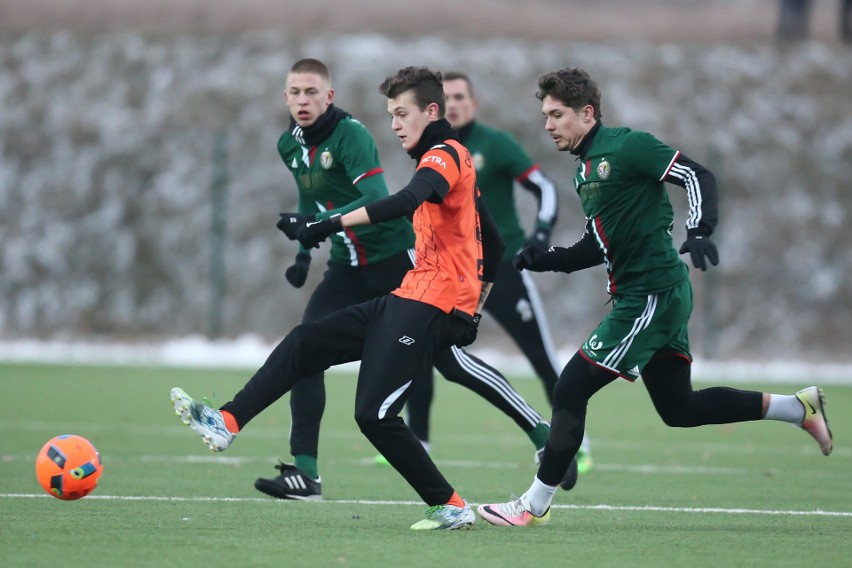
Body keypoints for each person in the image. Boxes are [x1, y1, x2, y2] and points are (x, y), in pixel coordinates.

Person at [171, 65, 551, 530]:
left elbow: (402, 201)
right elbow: (491, 241)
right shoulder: (446, 157)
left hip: (428, 304)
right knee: (306, 341)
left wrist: (326, 224)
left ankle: (452, 503)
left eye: (401, 113)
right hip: (413, 297)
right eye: (390, 114)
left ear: (431, 112)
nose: (393, 124)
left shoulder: (444, 154)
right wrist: (476, 304)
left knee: (374, 414)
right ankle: (226, 422)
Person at [477, 67, 833, 527]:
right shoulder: (586, 172)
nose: (548, 124)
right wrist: (548, 259)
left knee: (570, 387)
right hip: (653, 294)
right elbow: (596, 245)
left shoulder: (627, 146)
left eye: (557, 114)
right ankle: (796, 407)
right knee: (678, 409)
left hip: (651, 294)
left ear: (587, 114)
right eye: (545, 115)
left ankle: (532, 506)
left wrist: (700, 229)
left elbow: (694, 174)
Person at [401, 71, 593, 475]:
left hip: (502, 267)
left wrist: (541, 233)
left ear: (473, 102)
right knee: (427, 350)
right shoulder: (430, 149)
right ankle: (418, 439)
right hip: (453, 272)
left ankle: (574, 438)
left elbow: (543, 186)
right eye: (446, 97)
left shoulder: (496, 143)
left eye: (460, 96)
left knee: (539, 354)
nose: (453, 104)